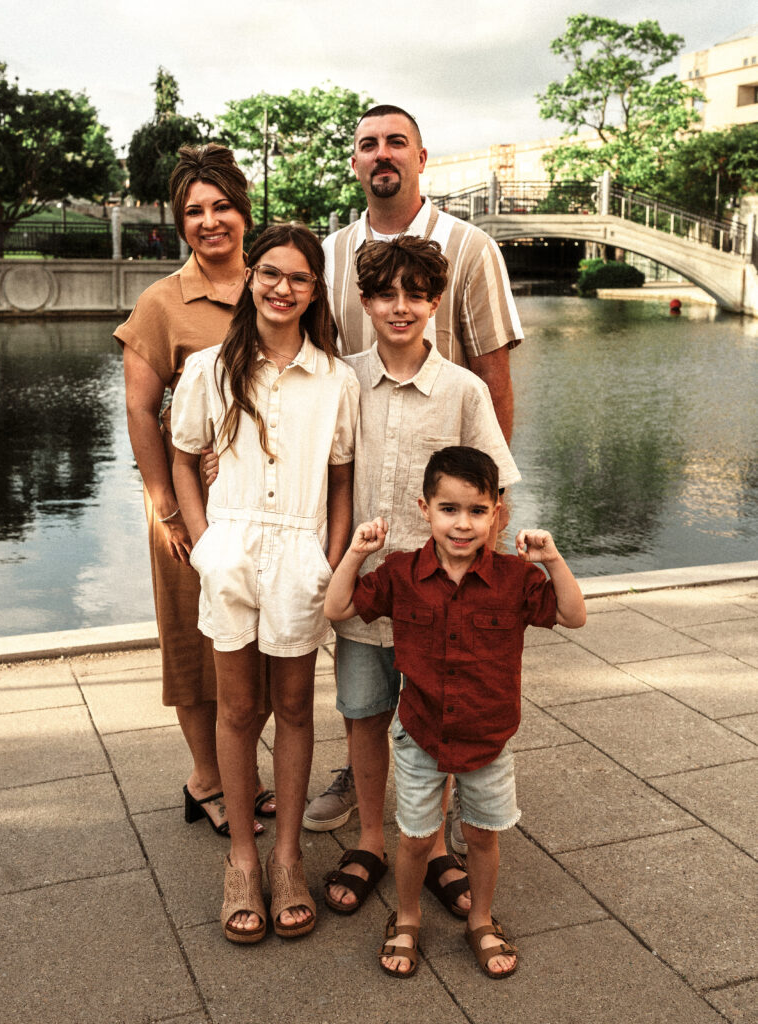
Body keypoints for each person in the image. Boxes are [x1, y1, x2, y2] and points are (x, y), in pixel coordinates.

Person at [307, 102, 524, 836]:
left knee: (447, 687)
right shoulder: (334, 254)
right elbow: (315, 383)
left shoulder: (469, 248)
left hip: (447, 512)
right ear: (355, 162)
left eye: (396, 141)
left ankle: (438, 823)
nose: (382, 154)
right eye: (367, 144)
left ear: (422, 157)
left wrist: (489, 518)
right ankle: (375, 809)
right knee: (364, 696)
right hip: (370, 525)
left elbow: (492, 377)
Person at [325, 446, 586, 978]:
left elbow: (573, 615)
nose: (462, 524)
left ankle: (481, 920)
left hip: (488, 737)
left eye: (476, 510)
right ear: (424, 508)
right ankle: (406, 917)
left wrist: (553, 559)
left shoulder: (515, 578)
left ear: (496, 511)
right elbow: (337, 608)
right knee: (417, 837)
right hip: (421, 731)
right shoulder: (401, 572)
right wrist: (356, 553)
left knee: (483, 835)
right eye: (448, 509)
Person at [320, 237, 520, 920]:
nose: (399, 307)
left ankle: (431, 846)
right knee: (365, 713)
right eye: (384, 293)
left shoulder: (463, 389)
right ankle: (374, 837)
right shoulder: (340, 379)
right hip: (366, 588)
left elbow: (495, 490)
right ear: (364, 301)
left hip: (438, 603)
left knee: (432, 717)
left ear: (435, 301)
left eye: (415, 294)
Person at [171, 224, 359, 944]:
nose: (283, 288)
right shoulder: (212, 368)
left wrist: (330, 556)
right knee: (239, 708)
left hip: (300, 554)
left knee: (296, 708)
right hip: (232, 548)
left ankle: (288, 860)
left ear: (316, 292)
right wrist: (206, 543)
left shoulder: (334, 379)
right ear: (252, 279)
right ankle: (243, 862)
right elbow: (185, 455)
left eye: (299, 279)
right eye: (271, 274)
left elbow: (340, 479)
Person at [115, 143, 275, 842]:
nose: (210, 222)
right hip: (190, 510)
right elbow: (138, 410)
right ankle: (207, 778)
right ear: (181, 224)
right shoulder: (163, 303)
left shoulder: (277, 284)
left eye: (221, 207)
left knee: (263, 642)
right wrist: (168, 508)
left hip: (267, 505)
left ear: (243, 210)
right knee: (193, 647)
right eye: (193, 212)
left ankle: (242, 772)